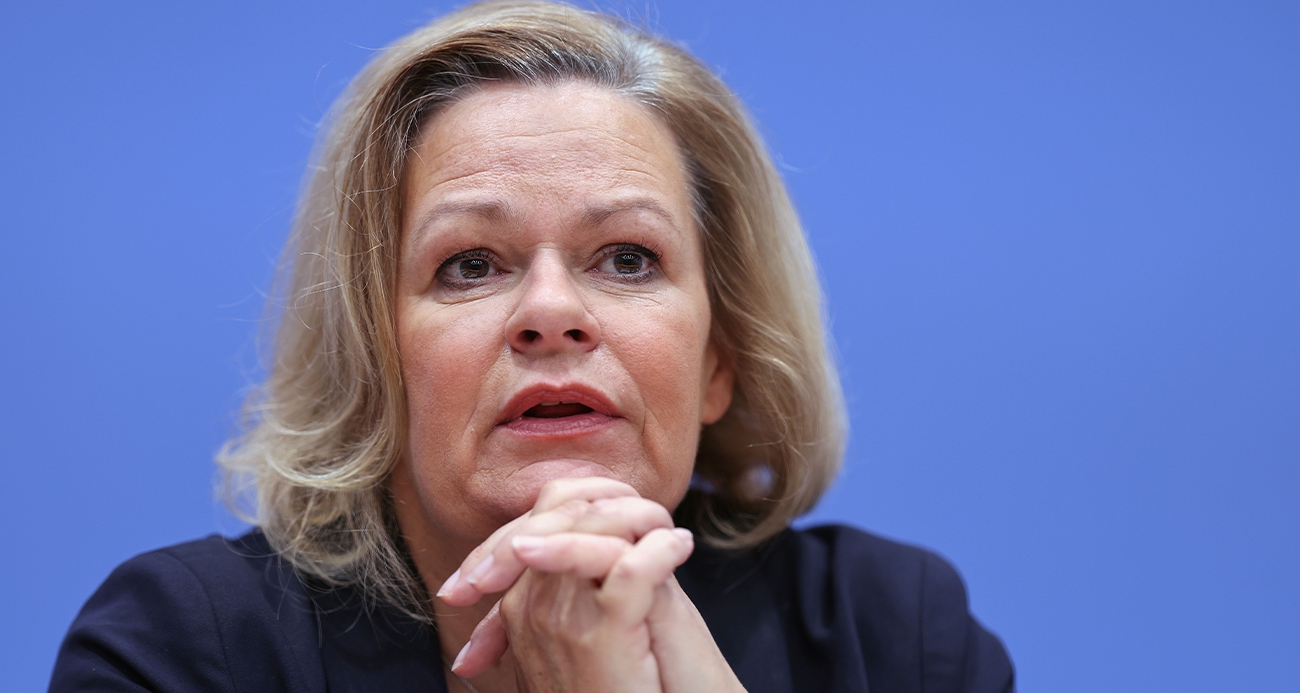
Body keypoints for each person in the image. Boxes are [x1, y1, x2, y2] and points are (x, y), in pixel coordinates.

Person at [50, 2, 1014, 691]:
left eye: (628, 258)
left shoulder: (894, 639)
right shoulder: (183, 652)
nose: (552, 312)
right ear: (376, 359)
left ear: (719, 359)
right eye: (470, 265)